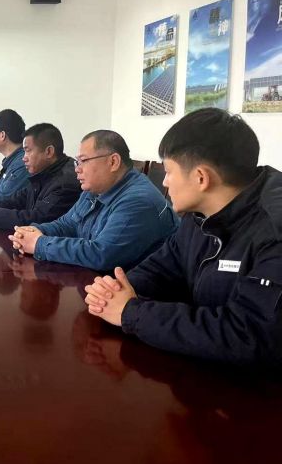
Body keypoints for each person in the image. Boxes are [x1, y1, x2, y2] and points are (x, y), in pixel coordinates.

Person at [84, 109, 282, 366]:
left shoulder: (274, 229)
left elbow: (249, 334)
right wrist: (115, 291)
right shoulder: (199, 215)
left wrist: (131, 313)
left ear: (201, 178)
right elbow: (164, 268)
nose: (164, 182)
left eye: (169, 171)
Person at [10, 130, 177, 272]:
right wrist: (34, 231)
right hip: (97, 283)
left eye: (83, 161)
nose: (77, 169)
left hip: (138, 293)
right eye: (77, 162)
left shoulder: (138, 201)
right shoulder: (95, 188)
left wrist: (39, 244)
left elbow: (101, 254)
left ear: (113, 162)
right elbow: (67, 224)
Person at [0, 123, 81, 230]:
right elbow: (17, 200)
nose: (24, 158)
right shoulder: (45, 172)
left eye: (28, 151)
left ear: (49, 152)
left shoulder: (66, 182)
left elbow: (38, 219)